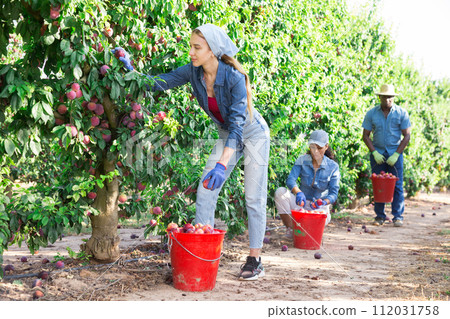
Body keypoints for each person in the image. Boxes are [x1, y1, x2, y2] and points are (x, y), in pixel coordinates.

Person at [113, 24, 270, 281]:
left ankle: (255, 259)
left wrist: (222, 165)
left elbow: (238, 127)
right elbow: (157, 84)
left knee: (254, 197)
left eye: (197, 47)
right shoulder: (193, 72)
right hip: (226, 133)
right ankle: (202, 255)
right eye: (191, 46)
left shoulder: (234, 78)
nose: (191, 53)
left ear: (213, 50)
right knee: (206, 189)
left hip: (253, 135)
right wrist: (131, 71)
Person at [362, 84, 411, 227]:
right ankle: (380, 216)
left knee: (397, 185)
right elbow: (365, 136)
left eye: (390, 97)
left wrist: (396, 154)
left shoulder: (401, 113)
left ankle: (397, 216)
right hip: (378, 154)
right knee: (379, 185)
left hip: (395, 154)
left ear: (394, 98)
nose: (388, 99)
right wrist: (374, 152)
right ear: (380, 97)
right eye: (385, 97)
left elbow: (407, 136)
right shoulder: (372, 113)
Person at [274, 130, 340, 235]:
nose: (316, 152)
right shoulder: (302, 160)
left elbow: (334, 193)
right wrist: (298, 192)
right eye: (313, 147)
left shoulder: (333, 167)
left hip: (319, 209)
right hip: (300, 205)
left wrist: (324, 202)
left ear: (326, 146)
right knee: (280, 192)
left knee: (312, 229)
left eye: (319, 148)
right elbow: (291, 179)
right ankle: (291, 230)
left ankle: (309, 232)